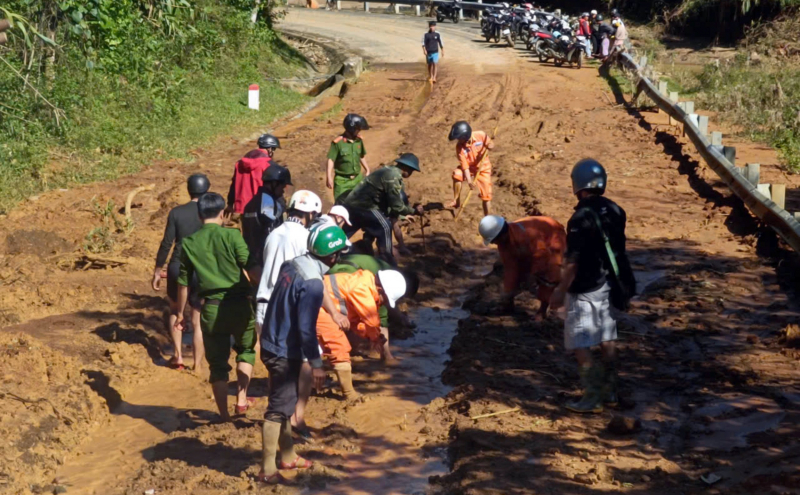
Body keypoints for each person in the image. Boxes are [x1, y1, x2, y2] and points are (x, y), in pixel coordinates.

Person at [258, 224, 350, 485]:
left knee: (286, 404)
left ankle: (288, 456)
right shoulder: (312, 284)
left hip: (271, 338)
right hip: (284, 350)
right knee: (277, 410)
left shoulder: (295, 263)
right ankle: (266, 469)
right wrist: (317, 363)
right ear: (332, 256)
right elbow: (306, 328)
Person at [255, 190, 348, 437]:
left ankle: (278, 412)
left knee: (276, 365)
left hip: (265, 303)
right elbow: (313, 278)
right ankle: (295, 417)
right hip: (288, 304)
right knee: (307, 361)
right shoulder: (306, 239)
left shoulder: (273, 232)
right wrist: (334, 311)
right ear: (310, 214)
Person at [550, 159, 629, 414]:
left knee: (580, 342)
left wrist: (560, 291)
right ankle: (611, 391)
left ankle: (592, 396)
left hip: (584, 288)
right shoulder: (616, 211)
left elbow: (573, 260)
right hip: (609, 284)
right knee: (606, 337)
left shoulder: (579, 218)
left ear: (577, 185)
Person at [175, 193, 256, 420]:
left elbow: (183, 285)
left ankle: (223, 415)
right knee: (246, 350)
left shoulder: (189, 243)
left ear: (199, 215)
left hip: (211, 308)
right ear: (222, 214)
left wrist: (181, 314)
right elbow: (249, 265)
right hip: (240, 305)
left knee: (218, 366)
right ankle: (241, 400)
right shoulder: (232, 235)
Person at [316, 269, 406, 399]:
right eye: (385, 299)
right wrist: (375, 338)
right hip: (318, 306)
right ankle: (349, 394)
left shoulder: (364, 283)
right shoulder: (363, 288)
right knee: (339, 346)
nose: (383, 303)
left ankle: (307, 380)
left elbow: (355, 322)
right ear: (381, 289)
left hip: (322, 306)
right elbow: (372, 321)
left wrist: (369, 335)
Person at [152, 173, 208, 372]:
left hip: (177, 266)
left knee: (176, 310)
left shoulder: (176, 212)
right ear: (206, 190)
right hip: (201, 268)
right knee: (197, 317)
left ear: (189, 190)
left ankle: (177, 357)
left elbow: (167, 243)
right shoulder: (210, 214)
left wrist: (158, 270)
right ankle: (198, 364)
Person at [479, 215, 566, 321]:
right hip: (534, 243)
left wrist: (532, 276)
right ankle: (509, 305)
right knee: (520, 267)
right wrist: (508, 296)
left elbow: (541, 259)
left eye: (493, 240)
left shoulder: (528, 235)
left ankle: (542, 311)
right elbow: (510, 268)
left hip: (553, 234)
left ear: (501, 235)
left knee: (550, 271)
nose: (493, 243)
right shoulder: (503, 243)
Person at [342, 153, 424, 266]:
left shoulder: (388, 171)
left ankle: (332, 251)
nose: (411, 173)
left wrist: (403, 215)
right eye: (411, 170)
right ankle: (388, 260)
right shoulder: (393, 176)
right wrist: (412, 211)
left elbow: (389, 205)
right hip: (366, 206)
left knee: (345, 233)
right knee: (385, 226)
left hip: (352, 204)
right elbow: (396, 205)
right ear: (406, 168)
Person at [241, 164, 292, 277]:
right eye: (282, 186)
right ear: (274, 183)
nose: (283, 191)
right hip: (266, 259)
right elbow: (273, 232)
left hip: (253, 259)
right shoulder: (270, 204)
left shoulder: (251, 203)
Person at [447, 121, 494, 216]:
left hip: (483, 169)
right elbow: (465, 166)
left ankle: (487, 217)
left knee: (486, 196)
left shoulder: (480, 135)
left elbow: (491, 143)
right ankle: (457, 201)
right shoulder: (459, 147)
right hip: (470, 168)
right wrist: (469, 181)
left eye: (459, 138)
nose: (458, 140)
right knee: (457, 174)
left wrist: (490, 146)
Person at [227, 134, 280, 217]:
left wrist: (230, 204)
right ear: (269, 148)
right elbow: (273, 188)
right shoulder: (267, 164)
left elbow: (233, 185)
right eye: (274, 149)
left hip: (240, 210)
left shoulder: (239, 163)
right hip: (259, 210)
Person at [326, 114, 370, 203]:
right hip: (342, 181)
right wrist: (329, 177)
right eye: (358, 129)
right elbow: (331, 160)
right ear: (351, 128)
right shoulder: (338, 143)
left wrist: (367, 169)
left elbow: (361, 156)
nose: (359, 131)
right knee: (341, 206)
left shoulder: (358, 141)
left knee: (359, 204)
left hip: (357, 179)